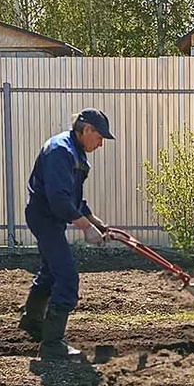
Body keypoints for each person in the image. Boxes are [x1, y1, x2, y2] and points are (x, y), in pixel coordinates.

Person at [20, 108, 114, 360]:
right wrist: (86, 228)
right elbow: (59, 200)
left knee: (51, 271)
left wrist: (96, 222)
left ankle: (32, 320)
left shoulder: (75, 152)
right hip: (45, 218)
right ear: (87, 130)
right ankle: (52, 345)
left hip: (49, 217)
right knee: (67, 276)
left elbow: (74, 199)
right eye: (99, 137)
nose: (101, 144)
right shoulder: (61, 151)